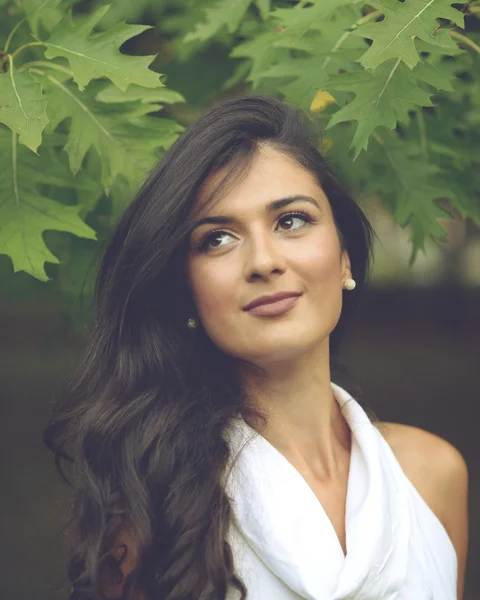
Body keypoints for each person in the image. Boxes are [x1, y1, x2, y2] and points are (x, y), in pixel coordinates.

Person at [44, 95, 468, 600]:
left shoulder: (431, 475)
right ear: (186, 291)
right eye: (218, 239)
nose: (263, 261)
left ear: (345, 259)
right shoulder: (154, 513)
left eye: (291, 220)